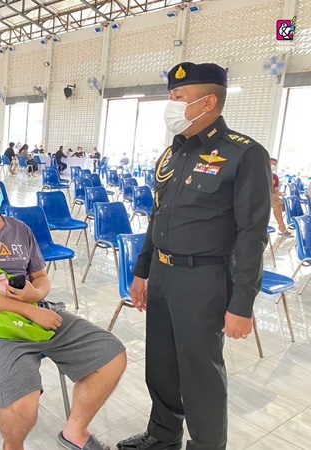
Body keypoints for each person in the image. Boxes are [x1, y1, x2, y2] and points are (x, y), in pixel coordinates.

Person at [117, 62, 271, 450]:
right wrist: (142, 271)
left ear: (208, 102)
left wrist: (242, 303)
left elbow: (252, 234)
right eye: (171, 95)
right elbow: (158, 217)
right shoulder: (174, 153)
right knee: (161, 364)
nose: (171, 103)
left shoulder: (244, 153)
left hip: (204, 280)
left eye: (178, 96)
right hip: (163, 275)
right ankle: (162, 435)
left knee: (200, 373)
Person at [0, 159, 127, 450]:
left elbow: (41, 277)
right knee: (24, 396)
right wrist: (30, 309)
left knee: (111, 355)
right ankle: (12, 446)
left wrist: (34, 294)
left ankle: (75, 432)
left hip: (37, 313)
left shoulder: (20, 229)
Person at [270, 158, 291, 236]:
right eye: (272, 163)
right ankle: (282, 227)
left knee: (279, 202)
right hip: (261, 195)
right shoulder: (261, 174)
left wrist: (280, 193)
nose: (273, 166)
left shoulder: (275, 177)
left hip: (271, 196)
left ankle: (282, 226)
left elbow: (276, 190)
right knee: (277, 202)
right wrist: (272, 195)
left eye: (275, 164)